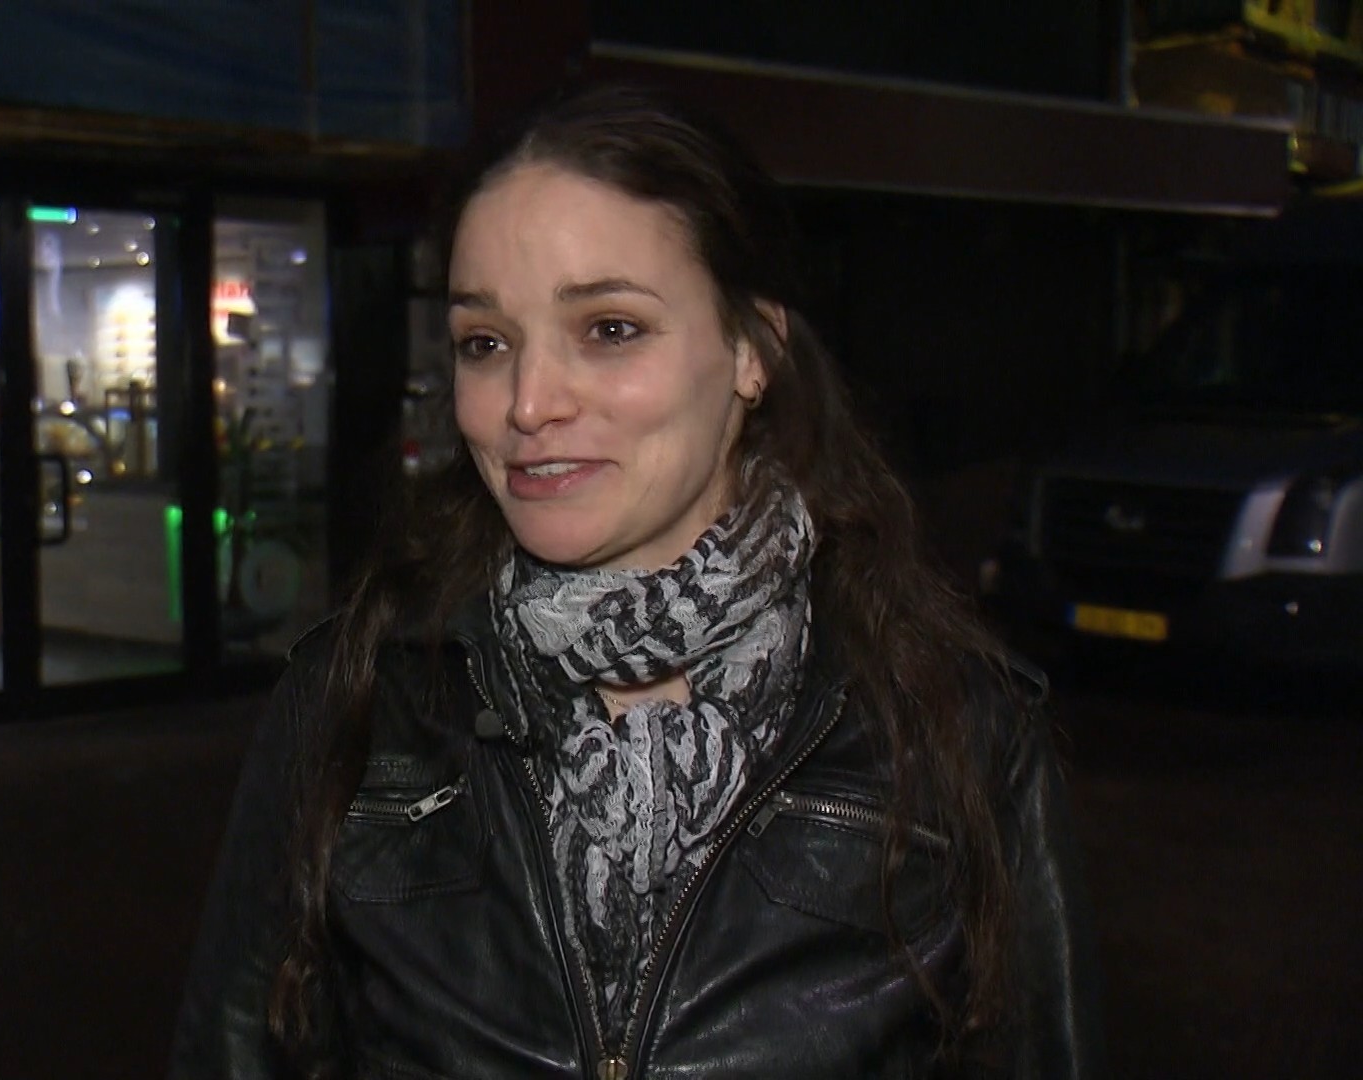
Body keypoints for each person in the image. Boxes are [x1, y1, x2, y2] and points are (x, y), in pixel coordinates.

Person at [170, 85, 1102, 1079]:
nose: (529, 402)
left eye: (610, 328)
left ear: (753, 352)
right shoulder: (355, 697)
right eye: (486, 343)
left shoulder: (960, 729)